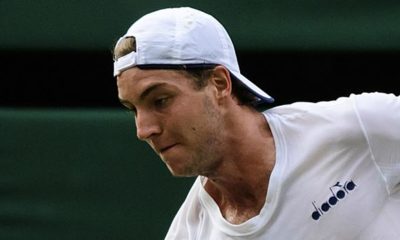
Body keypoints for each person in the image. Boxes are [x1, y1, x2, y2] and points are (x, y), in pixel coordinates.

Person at [112, 7, 400, 240]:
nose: (143, 130)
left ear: (219, 84)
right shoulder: (190, 234)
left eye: (160, 100)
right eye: (133, 109)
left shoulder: (363, 126)